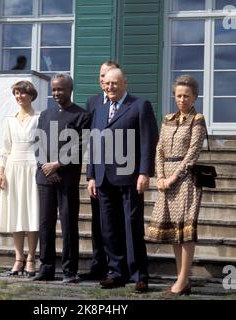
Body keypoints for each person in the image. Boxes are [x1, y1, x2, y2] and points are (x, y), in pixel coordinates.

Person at [87, 68, 158, 291]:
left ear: (124, 83)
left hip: (129, 178)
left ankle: (139, 275)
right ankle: (116, 272)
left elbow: (149, 141)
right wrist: (90, 175)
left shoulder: (140, 105)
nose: (110, 87)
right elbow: (94, 143)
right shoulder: (100, 109)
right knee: (108, 228)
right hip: (103, 178)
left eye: (114, 83)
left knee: (131, 227)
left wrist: (145, 172)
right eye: (106, 84)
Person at [145, 75, 207, 296]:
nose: (182, 99)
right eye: (179, 96)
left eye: (186, 96)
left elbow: (192, 153)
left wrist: (173, 177)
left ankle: (182, 279)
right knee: (173, 230)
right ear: (174, 96)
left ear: (194, 97)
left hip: (186, 179)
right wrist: (160, 176)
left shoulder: (197, 119)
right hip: (166, 180)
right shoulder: (168, 118)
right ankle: (182, 279)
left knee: (185, 230)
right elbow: (159, 149)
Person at [33, 73, 90, 283]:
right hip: (44, 177)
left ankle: (69, 271)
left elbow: (80, 146)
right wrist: (46, 168)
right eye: (54, 89)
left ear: (70, 90)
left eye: (61, 89)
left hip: (67, 178)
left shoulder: (82, 115)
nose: (57, 93)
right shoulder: (45, 114)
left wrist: (57, 165)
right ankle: (46, 268)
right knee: (45, 223)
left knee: (68, 224)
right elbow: (37, 143)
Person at [79, 60, 120, 281]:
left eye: (108, 76)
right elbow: (90, 140)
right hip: (98, 172)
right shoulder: (93, 102)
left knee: (115, 222)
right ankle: (98, 265)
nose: (104, 80)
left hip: (120, 171)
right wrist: (90, 174)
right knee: (97, 222)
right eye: (102, 76)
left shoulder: (126, 103)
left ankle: (118, 266)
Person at [0, 80, 39, 277]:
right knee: (15, 213)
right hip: (13, 168)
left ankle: (31, 258)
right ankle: (18, 258)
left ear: (31, 95)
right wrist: (1, 172)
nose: (19, 97)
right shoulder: (10, 120)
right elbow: (5, 148)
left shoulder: (40, 117)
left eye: (22, 93)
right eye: (16, 94)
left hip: (32, 168)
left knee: (31, 213)